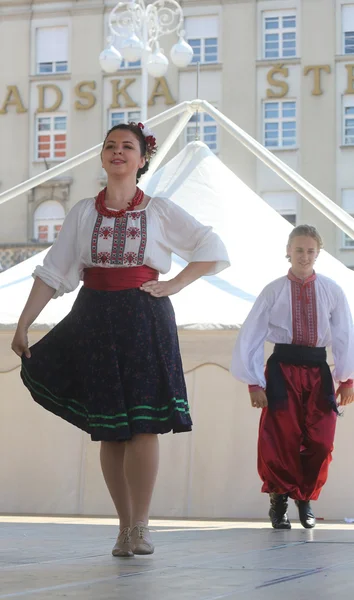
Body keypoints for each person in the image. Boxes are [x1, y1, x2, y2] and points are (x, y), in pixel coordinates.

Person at [12, 121, 230, 556]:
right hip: (94, 317)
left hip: (145, 317)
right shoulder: (82, 213)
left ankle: (142, 526)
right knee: (110, 430)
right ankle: (124, 524)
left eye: (127, 146)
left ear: (142, 158)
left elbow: (212, 246)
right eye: (110, 145)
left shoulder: (160, 210)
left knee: (143, 424)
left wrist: (176, 283)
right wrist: (23, 323)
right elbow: (53, 271)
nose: (117, 152)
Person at [231, 225, 354, 529]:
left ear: (318, 253)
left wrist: (347, 377)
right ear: (288, 251)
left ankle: (305, 498)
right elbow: (252, 335)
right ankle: (278, 500)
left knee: (321, 441)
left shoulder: (332, 289)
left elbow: (344, 334)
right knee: (279, 437)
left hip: (317, 372)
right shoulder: (273, 290)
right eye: (299, 249)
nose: (304, 255)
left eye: (310, 250)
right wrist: (254, 383)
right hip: (282, 370)